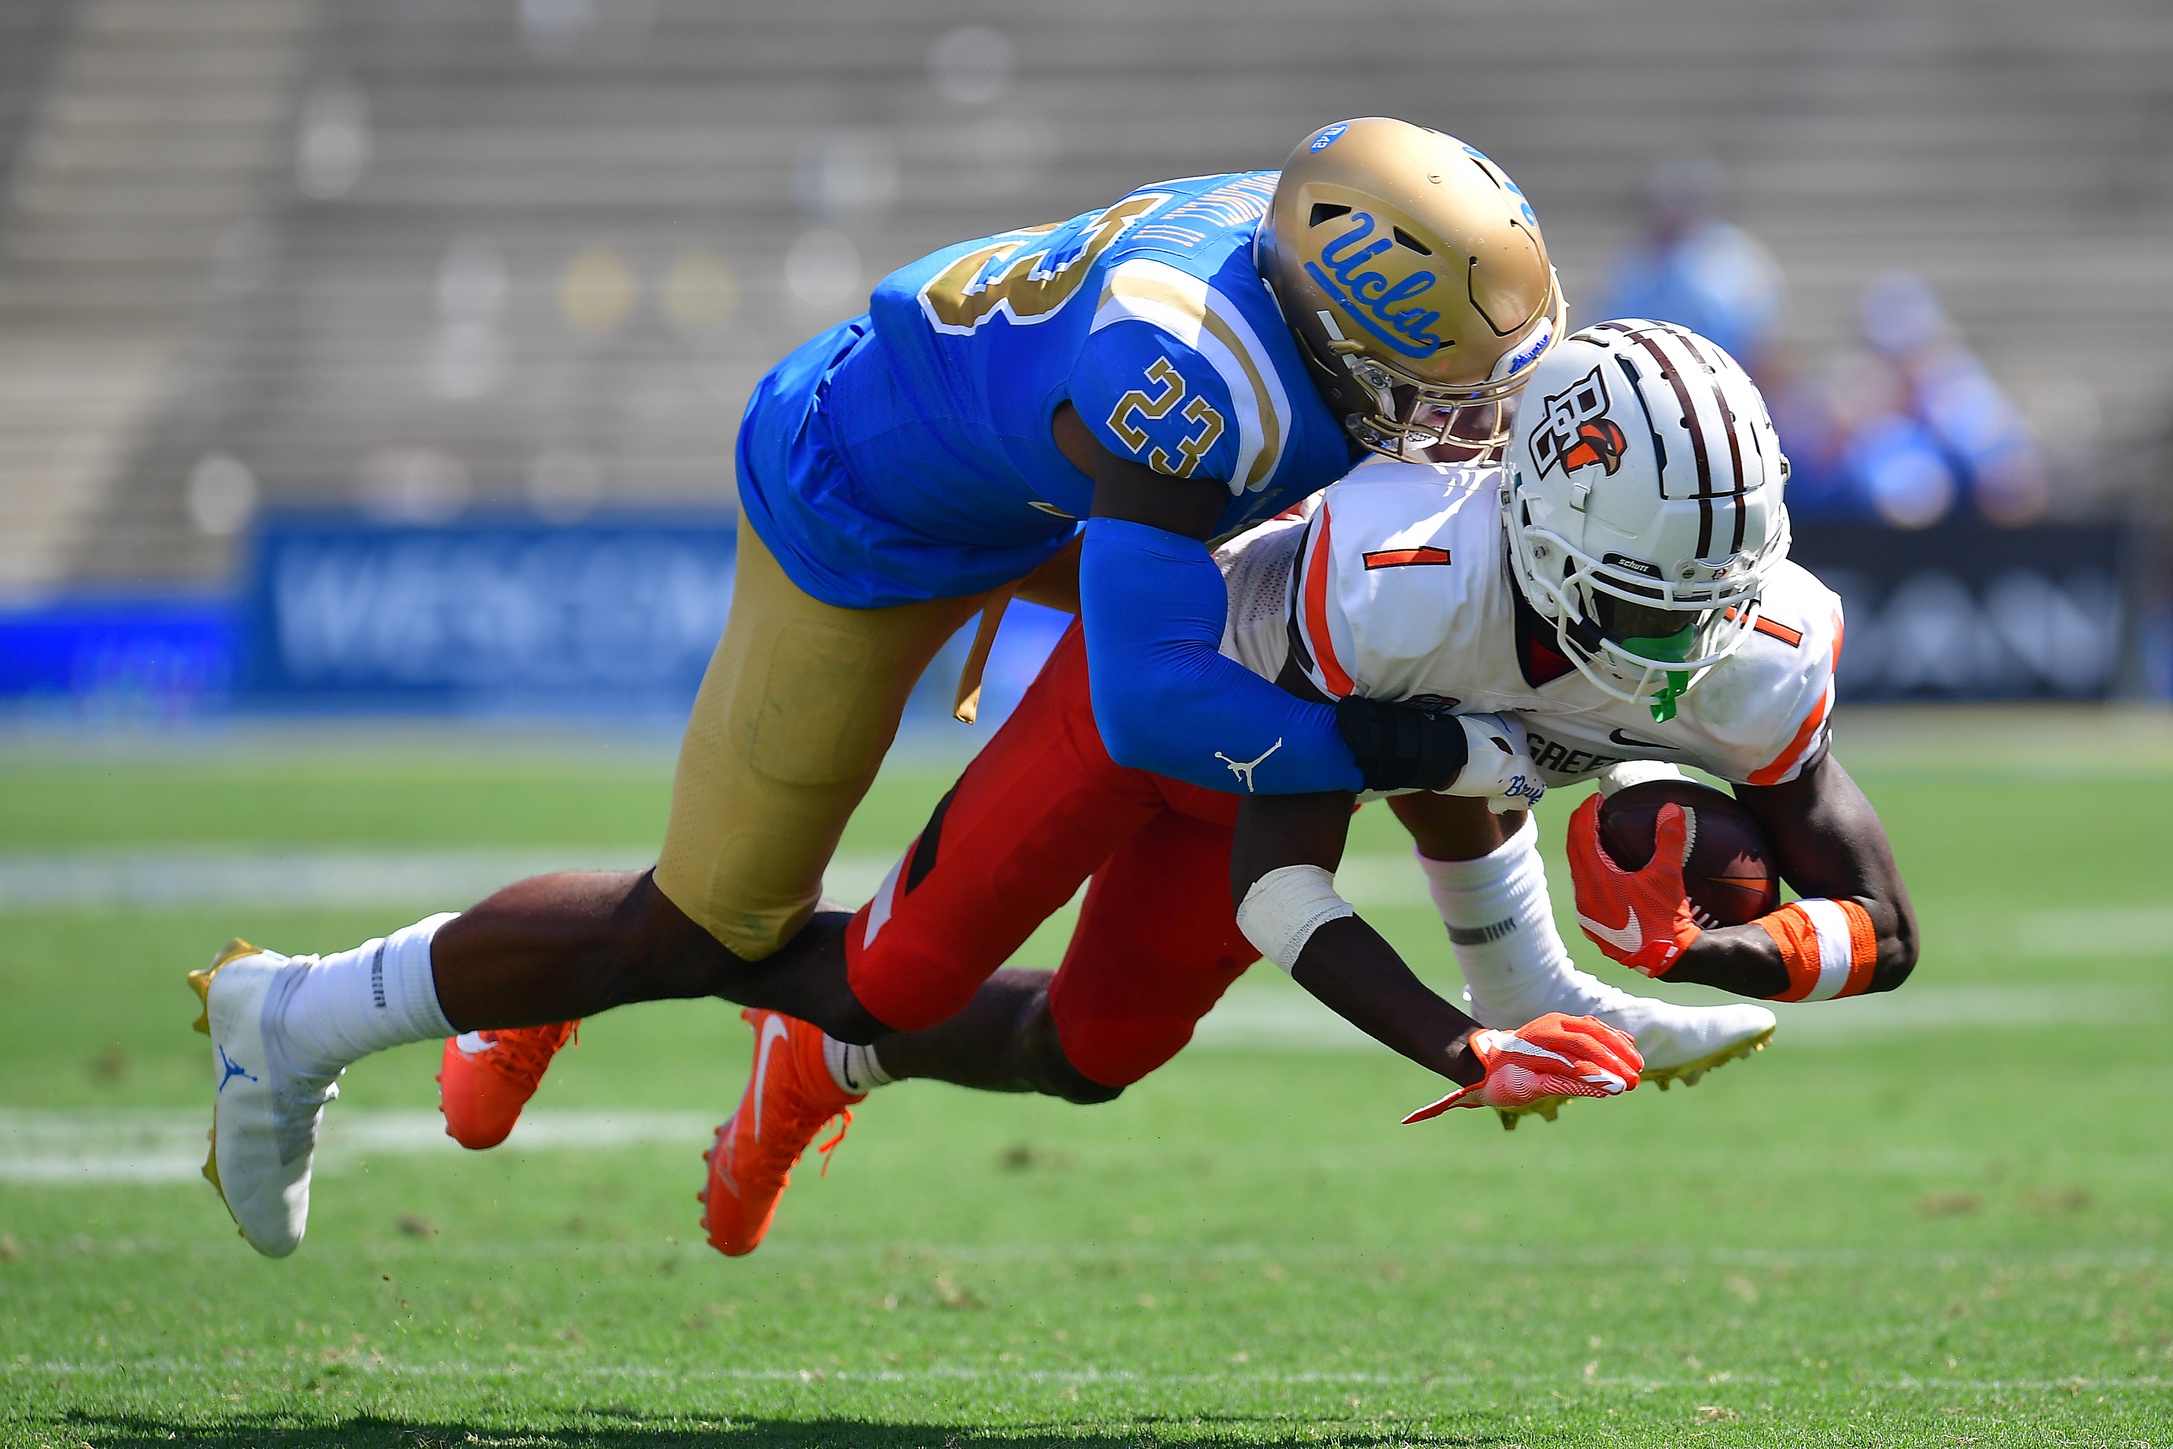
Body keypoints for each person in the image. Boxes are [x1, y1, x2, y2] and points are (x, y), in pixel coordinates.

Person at [188, 118, 1573, 1258]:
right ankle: (302, 1015)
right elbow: (1152, 702)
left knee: (1067, 995)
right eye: (1440, 384)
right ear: (1334, 328)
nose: (1471, 422)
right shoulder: (1194, 374)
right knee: (709, 926)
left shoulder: (1298, 252)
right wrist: (1417, 750)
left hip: (1043, 485)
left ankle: (723, 1025)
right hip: (868, 510)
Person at [665, 320, 1922, 1256]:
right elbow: (1280, 883)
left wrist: (1711, 950)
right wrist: (1463, 1042)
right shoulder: (1406, 574)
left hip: (1290, 774)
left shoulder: (1752, 651)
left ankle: (817, 1064)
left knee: (1093, 1054)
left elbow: (1885, 930)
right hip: (1163, 707)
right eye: (1641, 601)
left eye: (1705, 603)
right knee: (890, 971)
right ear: (1536, 520)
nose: (1672, 652)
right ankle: (580, 962)